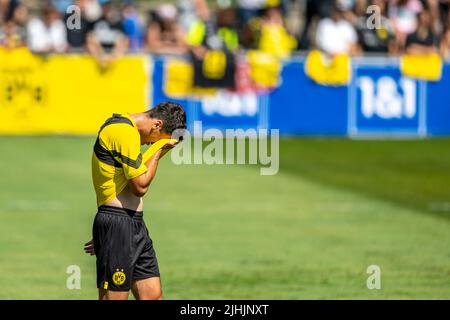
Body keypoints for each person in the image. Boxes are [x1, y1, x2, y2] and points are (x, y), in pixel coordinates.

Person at [84, 101, 186, 300]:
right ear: (157, 124)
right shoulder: (123, 132)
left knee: (153, 297)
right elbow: (140, 186)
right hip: (118, 224)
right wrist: (159, 150)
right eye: (157, 139)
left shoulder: (126, 131)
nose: (150, 144)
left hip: (132, 225)